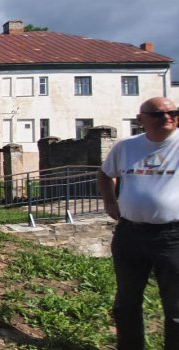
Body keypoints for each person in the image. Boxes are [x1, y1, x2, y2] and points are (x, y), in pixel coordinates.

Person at [97, 96, 179, 349]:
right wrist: (110, 202)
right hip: (130, 234)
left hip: (172, 236)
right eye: (157, 114)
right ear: (141, 119)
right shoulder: (127, 147)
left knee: (175, 305)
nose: (167, 117)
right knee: (127, 302)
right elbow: (104, 173)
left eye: (174, 112)